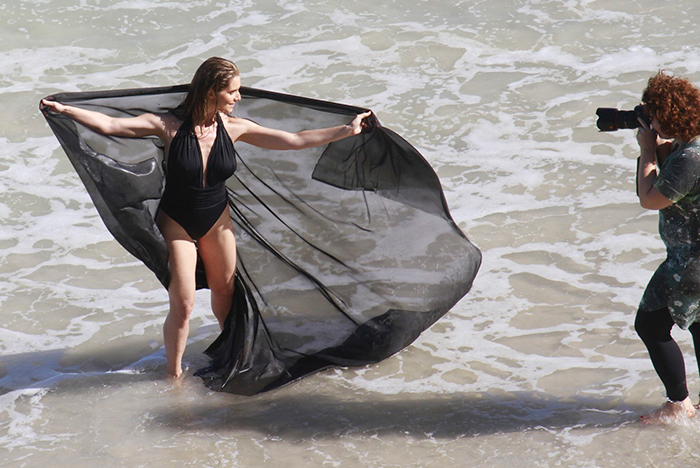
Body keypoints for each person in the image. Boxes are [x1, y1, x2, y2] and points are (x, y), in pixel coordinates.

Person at [42, 56, 371, 379]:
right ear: (211, 92)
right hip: (178, 224)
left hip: (217, 222)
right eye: (233, 92)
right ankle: (173, 376)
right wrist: (65, 109)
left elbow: (295, 140)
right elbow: (112, 125)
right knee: (183, 304)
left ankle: (229, 358)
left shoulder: (233, 127)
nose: (239, 98)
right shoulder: (169, 126)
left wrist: (346, 129)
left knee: (224, 292)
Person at [633, 70, 700, 424]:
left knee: (650, 326)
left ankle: (678, 404)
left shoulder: (691, 159)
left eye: (655, 114)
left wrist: (647, 153)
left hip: (689, 262)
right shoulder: (691, 146)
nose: (652, 121)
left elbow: (650, 198)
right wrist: (659, 147)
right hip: (694, 258)